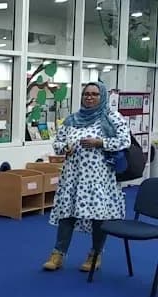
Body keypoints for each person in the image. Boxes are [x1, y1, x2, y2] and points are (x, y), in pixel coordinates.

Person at [43, 81, 130, 271]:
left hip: (98, 178)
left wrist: (100, 142)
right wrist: (65, 148)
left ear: (102, 97)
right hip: (72, 177)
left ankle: (95, 255)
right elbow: (57, 143)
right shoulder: (72, 119)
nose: (89, 97)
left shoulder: (112, 118)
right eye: (86, 94)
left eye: (94, 94)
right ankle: (58, 254)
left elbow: (124, 141)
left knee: (98, 216)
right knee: (67, 213)